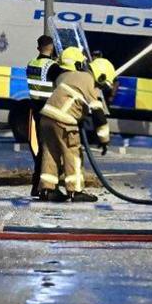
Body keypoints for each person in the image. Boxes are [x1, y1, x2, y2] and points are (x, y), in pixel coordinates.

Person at [36, 63, 111, 203]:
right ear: (100, 77)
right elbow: (98, 114)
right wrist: (104, 139)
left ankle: (48, 189)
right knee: (72, 154)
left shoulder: (71, 75)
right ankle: (75, 191)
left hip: (46, 117)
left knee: (50, 153)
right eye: (101, 86)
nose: (99, 89)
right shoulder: (88, 80)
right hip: (63, 120)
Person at [24, 35, 66, 198]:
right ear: (52, 47)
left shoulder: (32, 64)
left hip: (35, 108)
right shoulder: (52, 66)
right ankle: (46, 187)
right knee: (49, 150)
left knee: (43, 150)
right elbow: (63, 82)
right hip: (48, 110)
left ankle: (38, 186)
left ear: (38, 47)